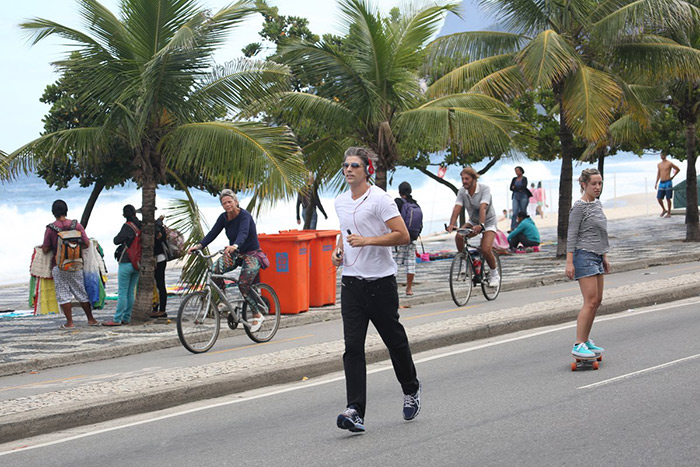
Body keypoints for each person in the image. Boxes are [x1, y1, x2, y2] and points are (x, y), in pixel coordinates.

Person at [332, 147, 421, 434]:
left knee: (395, 342)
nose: (348, 170)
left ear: (367, 168)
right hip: (351, 284)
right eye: (345, 165)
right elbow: (344, 232)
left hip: (381, 284)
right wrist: (337, 252)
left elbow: (402, 235)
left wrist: (368, 241)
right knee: (353, 349)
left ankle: (411, 389)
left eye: (354, 165)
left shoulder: (381, 199)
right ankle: (355, 410)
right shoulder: (340, 201)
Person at [188, 189, 266, 332]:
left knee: (243, 283)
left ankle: (257, 314)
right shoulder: (223, 218)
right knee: (215, 270)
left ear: (236, 202)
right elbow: (212, 233)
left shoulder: (244, 216)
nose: (227, 205)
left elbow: (243, 233)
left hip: (251, 254)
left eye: (230, 202)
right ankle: (225, 301)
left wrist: (235, 245)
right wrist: (199, 246)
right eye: (224, 203)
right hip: (235, 253)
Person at [565, 168, 610, 359]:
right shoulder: (579, 207)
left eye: (600, 183)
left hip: (598, 255)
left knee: (597, 301)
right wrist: (569, 262)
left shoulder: (597, 205)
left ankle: (586, 339)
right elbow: (571, 235)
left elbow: (601, 232)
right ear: (584, 185)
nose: (598, 187)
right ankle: (578, 343)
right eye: (594, 183)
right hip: (584, 256)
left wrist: (605, 256)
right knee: (590, 301)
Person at [41, 200, 99, 329]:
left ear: (53, 212)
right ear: (66, 210)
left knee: (63, 294)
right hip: (76, 264)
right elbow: (86, 243)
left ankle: (70, 322)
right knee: (81, 292)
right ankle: (90, 319)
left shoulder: (51, 228)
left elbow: (45, 248)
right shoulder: (76, 225)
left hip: (59, 265)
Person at [447, 167, 500, 287]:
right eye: (462, 179)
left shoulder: (484, 189)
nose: (464, 181)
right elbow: (457, 208)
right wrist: (452, 224)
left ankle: (494, 274)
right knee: (459, 236)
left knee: (486, 249)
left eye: (467, 178)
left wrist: (481, 225)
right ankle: (467, 263)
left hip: (488, 222)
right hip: (473, 221)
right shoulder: (462, 191)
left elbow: (483, 208)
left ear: (474, 179)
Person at [103, 205, 141, 326]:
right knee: (130, 292)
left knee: (123, 292)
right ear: (135, 213)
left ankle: (117, 319)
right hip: (137, 263)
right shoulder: (141, 225)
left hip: (126, 261)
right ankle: (127, 317)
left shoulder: (127, 226)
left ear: (124, 215)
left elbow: (116, 240)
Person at [394, 181, 418, 296]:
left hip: (400, 238)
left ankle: (393, 288)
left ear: (399, 192)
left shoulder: (398, 202)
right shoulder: (415, 204)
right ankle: (409, 289)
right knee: (411, 263)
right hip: (412, 238)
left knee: (395, 264)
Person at [151, 215, 168, 318]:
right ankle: (157, 308)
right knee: (158, 285)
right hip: (159, 258)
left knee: (159, 284)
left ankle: (161, 310)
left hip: (159, 258)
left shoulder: (157, 228)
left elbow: (159, 238)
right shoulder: (157, 226)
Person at [655, 151, 680, 218]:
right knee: (659, 198)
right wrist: (656, 183)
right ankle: (664, 209)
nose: (661, 156)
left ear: (665, 155)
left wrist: (673, 177)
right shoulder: (659, 164)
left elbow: (678, 169)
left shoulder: (669, 163)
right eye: (661, 155)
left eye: (663, 155)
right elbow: (658, 174)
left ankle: (669, 212)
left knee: (668, 198)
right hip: (661, 182)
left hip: (668, 182)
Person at [509, 166, 530, 231]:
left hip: (523, 196)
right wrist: (517, 189)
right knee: (515, 212)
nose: (516, 172)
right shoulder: (514, 179)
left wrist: (515, 188)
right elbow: (511, 188)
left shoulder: (524, 178)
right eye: (515, 171)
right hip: (515, 197)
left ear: (521, 171)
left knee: (523, 212)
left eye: (517, 170)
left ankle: (524, 226)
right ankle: (513, 227)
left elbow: (523, 187)